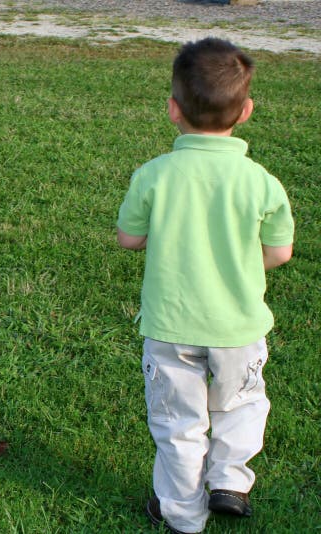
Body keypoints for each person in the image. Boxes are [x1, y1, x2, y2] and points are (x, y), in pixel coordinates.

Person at [116, 38, 294, 533]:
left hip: (171, 323)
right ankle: (229, 481)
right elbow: (279, 253)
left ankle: (183, 516)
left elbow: (129, 238)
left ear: (173, 109)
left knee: (178, 424)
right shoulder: (262, 182)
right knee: (240, 404)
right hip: (237, 325)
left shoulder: (153, 175)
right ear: (248, 111)